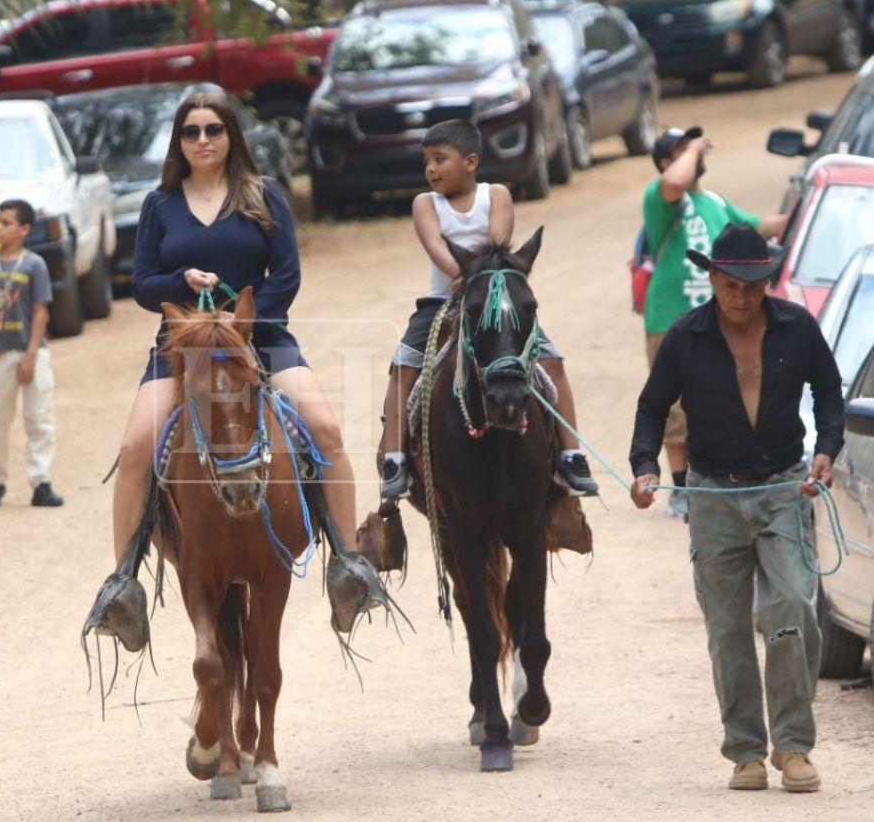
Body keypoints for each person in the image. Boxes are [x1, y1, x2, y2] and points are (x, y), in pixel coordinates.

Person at [100, 91, 384, 633]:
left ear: (231, 135)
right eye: (191, 132)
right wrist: (179, 282)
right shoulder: (160, 204)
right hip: (183, 347)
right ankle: (122, 585)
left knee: (325, 429)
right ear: (179, 142)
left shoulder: (263, 194)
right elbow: (140, 285)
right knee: (135, 445)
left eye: (213, 130)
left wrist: (242, 327)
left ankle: (348, 564)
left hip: (262, 338)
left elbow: (286, 275)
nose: (203, 140)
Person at [628, 223, 844, 794]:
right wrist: (645, 467)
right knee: (726, 629)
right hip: (713, 494)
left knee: (794, 606)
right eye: (731, 285)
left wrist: (825, 450)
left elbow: (828, 390)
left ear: (767, 280)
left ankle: (793, 747)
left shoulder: (797, 327)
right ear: (712, 279)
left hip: (783, 487)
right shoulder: (685, 336)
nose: (743, 297)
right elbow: (652, 407)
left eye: (754, 285)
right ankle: (745, 752)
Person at [378, 119, 598, 499]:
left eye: (440, 159)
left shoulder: (496, 195)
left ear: (471, 161)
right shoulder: (424, 204)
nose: (430, 169)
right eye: (426, 161)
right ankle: (395, 457)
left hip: (494, 294)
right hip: (443, 300)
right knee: (404, 366)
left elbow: (499, 243)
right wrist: (462, 276)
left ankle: (570, 454)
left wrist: (480, 279)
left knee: (551, 362)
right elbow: (435, 245)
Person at [640, 125, 787, 520]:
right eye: (682, 149)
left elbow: (757, 226)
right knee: (673, 405)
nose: (694, 153)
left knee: (720, 394)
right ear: (668, 161)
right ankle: (680, 486)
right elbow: (674, 181)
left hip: (718, 317)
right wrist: (696, 147)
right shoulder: (660, 196)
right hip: (669, 317)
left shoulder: (716, 202)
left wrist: (798, 216)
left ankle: (718, 476)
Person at [0, 199, 63, 509]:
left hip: (28, 349)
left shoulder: (34, 265)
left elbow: (40, 311)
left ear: (24, 229)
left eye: (6, 223)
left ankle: (41, 480)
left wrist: (31, 355)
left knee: (38, 416)